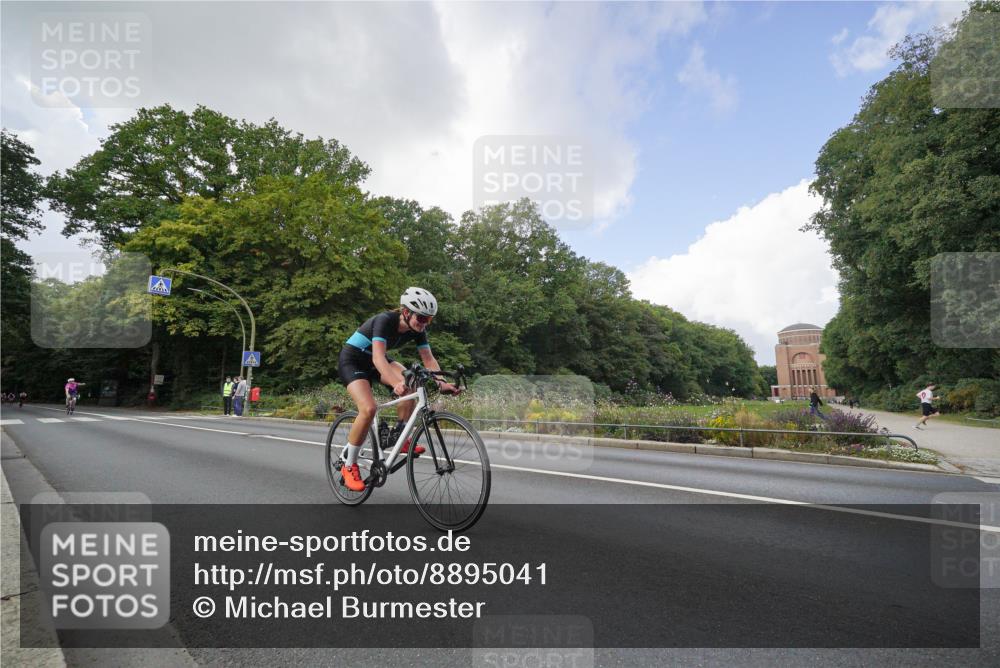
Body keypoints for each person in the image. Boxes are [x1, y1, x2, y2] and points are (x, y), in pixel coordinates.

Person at [336, 287, 460, 492]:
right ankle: (349, 465)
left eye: (428, 320)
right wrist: (395, 383)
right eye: (421, 318)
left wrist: (441, 383)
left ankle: (401, 436)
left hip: (378, 361)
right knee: (368, 409)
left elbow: (428, 359)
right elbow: (377, 358)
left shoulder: (418, 330)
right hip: (353, 360)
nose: (423, 323)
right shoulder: (385, 320)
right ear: (406, 311)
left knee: (413, 383)